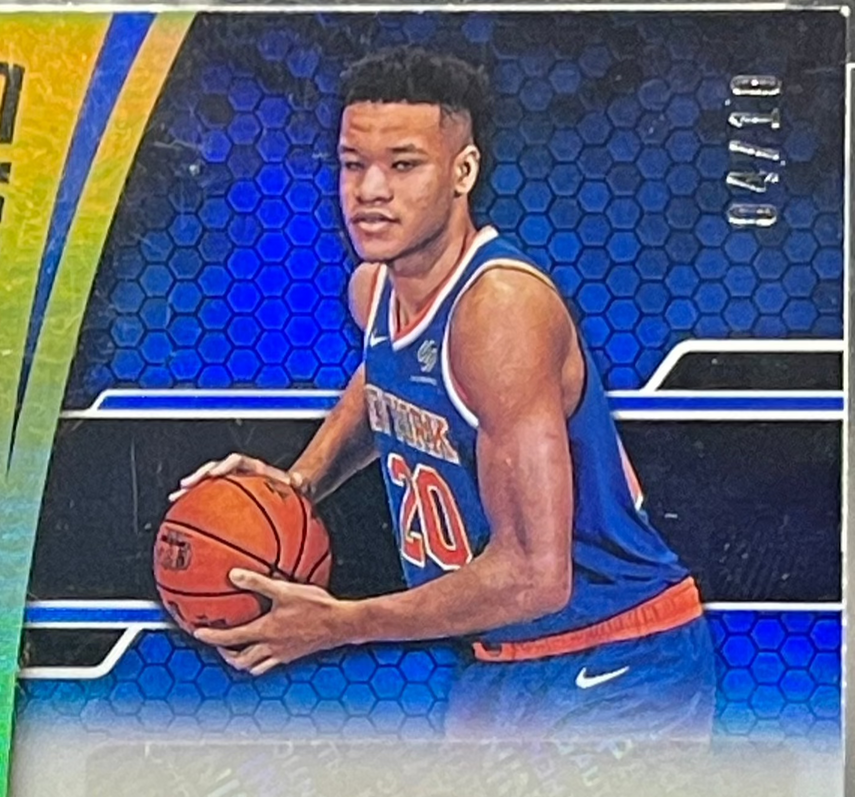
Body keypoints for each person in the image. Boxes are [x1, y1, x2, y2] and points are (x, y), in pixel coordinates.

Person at [174, 45, 715, 740]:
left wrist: (342, 623)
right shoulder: (375, 290)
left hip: (618, 656)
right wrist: (297, 484)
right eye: (352, 164)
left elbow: (534, 576)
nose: (370, 190)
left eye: (403, 165)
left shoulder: (500, 312)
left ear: (462, 171)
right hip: (499, 660)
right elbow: (386, 379)